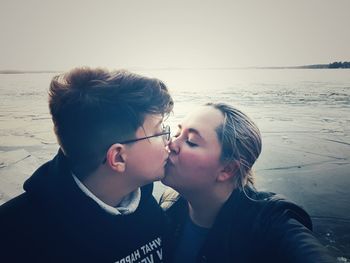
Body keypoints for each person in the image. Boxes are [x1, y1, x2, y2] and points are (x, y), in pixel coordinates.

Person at [0, 67, 174, 262]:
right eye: (160, 132)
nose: (171, 142)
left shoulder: (145, 204)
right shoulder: (16, 238)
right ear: (118, 158)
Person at [160, 102, 334, 263]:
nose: (171, 144)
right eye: (176, 134)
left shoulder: (269, 223)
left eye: (191, 141)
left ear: (227, 170)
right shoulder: (168, 204)